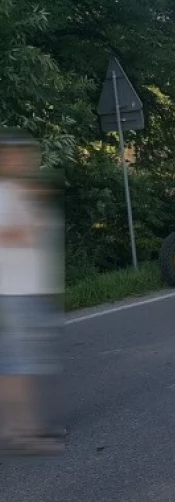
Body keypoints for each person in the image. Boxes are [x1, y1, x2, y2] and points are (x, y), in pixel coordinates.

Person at [0, 133, 64, 455]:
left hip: (31, 288)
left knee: (25, 362)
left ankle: (30, 427)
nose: (27, 161)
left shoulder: (19, 191)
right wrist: (27, 232)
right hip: (15, 290)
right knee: (17, 364)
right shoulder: (4, 193)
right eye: (19, 156)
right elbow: (7, 233)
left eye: (29, 155)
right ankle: (19, 432)